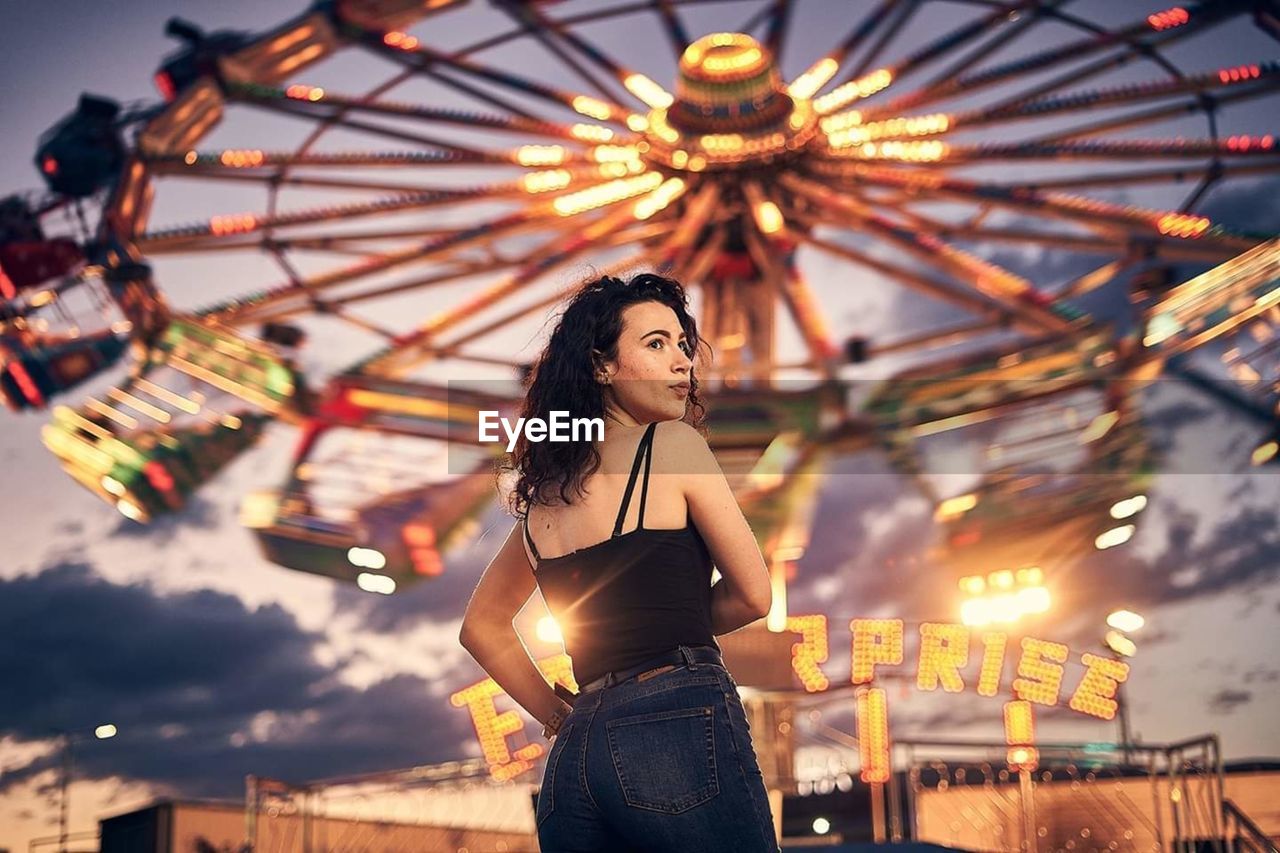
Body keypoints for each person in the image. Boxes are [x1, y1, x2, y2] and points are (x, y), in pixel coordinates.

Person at [459, 272, 779, 852]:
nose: (681, 362)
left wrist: (557, 718)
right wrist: (671, 621)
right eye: (655, 343)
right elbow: (755, 596)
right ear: (601, 367)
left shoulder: (544, 499)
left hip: (576, 754)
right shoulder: (673, 444)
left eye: (683, 344)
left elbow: (480, 627)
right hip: (674, 718)